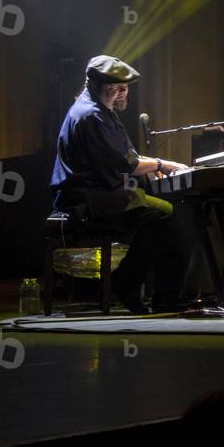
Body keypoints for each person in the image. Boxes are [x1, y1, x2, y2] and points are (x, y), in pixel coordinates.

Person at [49, 55, 188, 313]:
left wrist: (163, 163)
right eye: (117, 88)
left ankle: (159, 293)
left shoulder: (98, 110)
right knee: (164, 214)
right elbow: (129, 165)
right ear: (98, 85)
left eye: (125, 88)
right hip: (87, 201)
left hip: (97, 194)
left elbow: (128, 157)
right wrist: (160, 165)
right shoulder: (92, 116)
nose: (124, 93)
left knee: (164, 213)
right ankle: (128, 282)